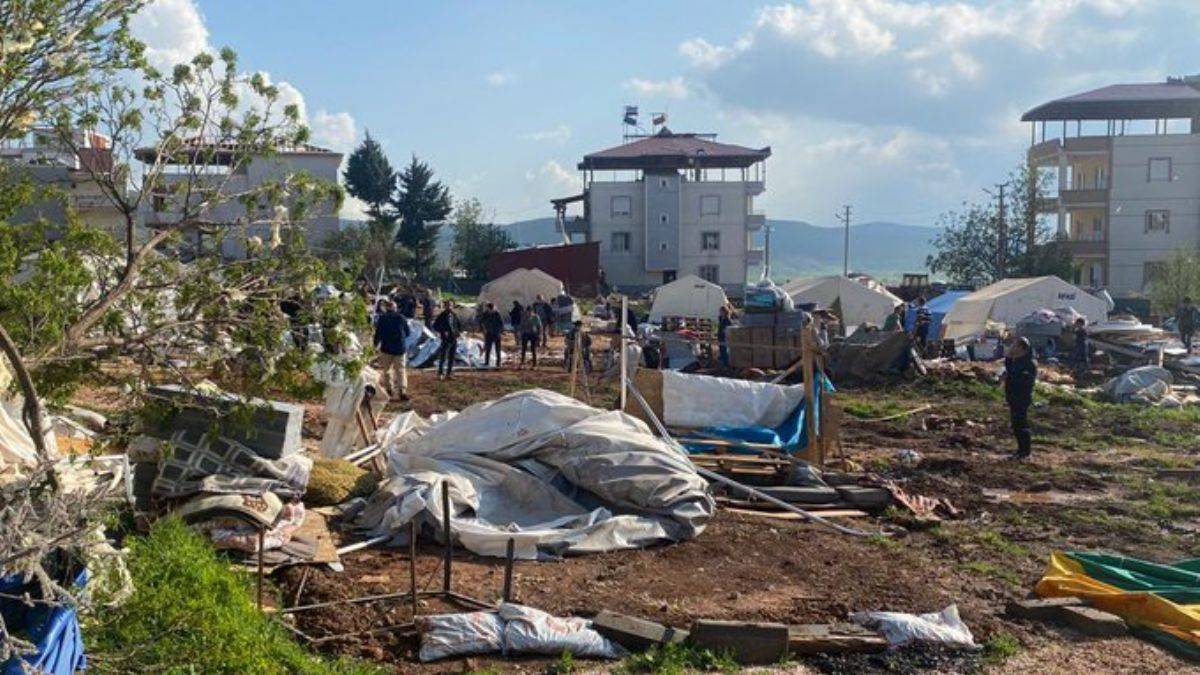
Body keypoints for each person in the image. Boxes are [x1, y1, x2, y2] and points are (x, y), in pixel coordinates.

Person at [1001, 336, 1037, 461]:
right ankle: (1021, 450)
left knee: (1021, 425)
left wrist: (1010, 375)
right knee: (1016, 425)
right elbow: (1010, 370)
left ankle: (1025, 452)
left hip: (1021, 398)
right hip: (1013, 397)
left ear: (1022, 348)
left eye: (1015, 345)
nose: (1012, 347)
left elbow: (1020, 379)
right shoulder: (1018, 361)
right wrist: (1008, 357)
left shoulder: (1028, 364)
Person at [372, 300, 411, 400]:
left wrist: (375, 345)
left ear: (387, 308)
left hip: (386, 348)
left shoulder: (382, 318)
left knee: (387, 370)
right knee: (400, 370)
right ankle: (402, 390)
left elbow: (378, 333)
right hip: (399, 348)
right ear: (395, 308)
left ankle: (389, 389)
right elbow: (408, 332)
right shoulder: (401, 318)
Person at [432, 300, 462, 379]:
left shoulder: (454, 315)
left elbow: (458, 325)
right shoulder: (442, 316)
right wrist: (443, 332)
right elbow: (435, 326)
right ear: (445, 307)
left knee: (452, 357)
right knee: (443, 357)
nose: (450, 307)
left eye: (451, 305)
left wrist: (458, 332)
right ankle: (440, 373)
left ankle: (449, 373)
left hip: (453, 338)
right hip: (446, 339)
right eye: (448, 306)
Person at [479, 302, 504, 367]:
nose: (488, 310)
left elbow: (501, 323)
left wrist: (499, 331)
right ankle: (486, 362)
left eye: (488, 309)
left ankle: (498, 363)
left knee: (497, 349)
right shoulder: (486, 314)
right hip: (489, 333)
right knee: (488, 349)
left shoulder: (497, 314)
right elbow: (481, 321)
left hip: (496, 334)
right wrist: (483, 329)